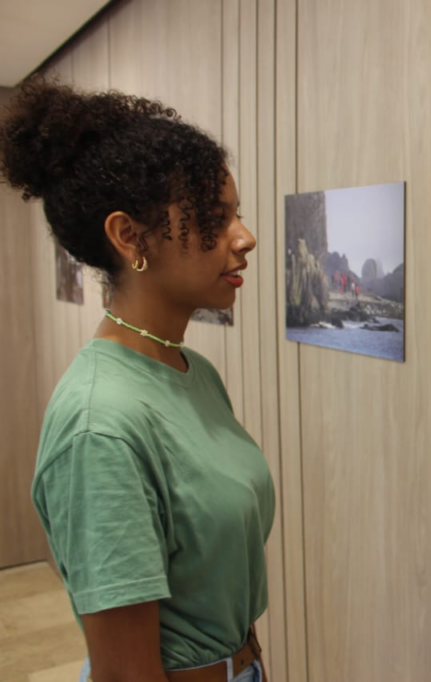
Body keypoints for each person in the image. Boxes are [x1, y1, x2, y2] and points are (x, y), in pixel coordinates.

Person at [0, 78, 273, 681]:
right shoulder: (101, 428)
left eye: (238, 214)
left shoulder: (189, 370)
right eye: (213, 217)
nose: (245, 238)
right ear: (129, 237)